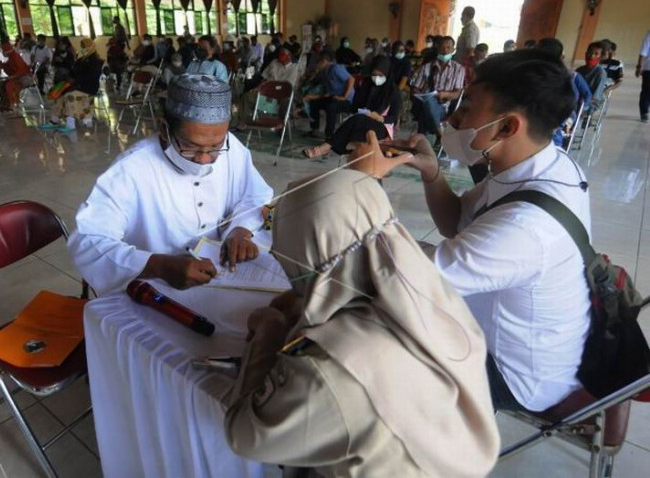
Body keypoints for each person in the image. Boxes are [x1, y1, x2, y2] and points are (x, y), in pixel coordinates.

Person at [350, 49, 592, 414]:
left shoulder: (526, 226)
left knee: (357, 348)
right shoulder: (538, 165)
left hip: (512, 372)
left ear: (508, 127)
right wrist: (432, 171)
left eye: (469, 106)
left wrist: (366, 182)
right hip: (504, 334)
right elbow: (457, 221)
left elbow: (406, 279)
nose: (453, 115)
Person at [224, 169, 500, 478]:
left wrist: (269, 331)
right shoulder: (429, 293)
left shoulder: (330, 367)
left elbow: (245, 434)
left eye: (287, 256)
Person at [68, 74, 273, 295]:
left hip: (221, 277)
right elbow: (88, 240)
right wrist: (158, 266)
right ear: (164, 129)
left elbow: (255, 196)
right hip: (155, 289)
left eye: (215, 147)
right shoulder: (132, 169)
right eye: (190, 147)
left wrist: (240, 231)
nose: (204, 159)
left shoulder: (232, 148)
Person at [303, 56, 401, 159]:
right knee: (355, 122)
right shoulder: (367, 84)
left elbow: (393, 118)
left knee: (354, 122)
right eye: (374, 74)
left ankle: (325, 147)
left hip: (382, 126)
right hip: (361, 121)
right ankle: (329, 147)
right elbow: (355, 106)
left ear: (387, 74)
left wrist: (379, 117)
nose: (376, 78)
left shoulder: (393, 91)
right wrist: (365, 112)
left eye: (380, 75)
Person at [410, 36, 465, 146]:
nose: (445, 51)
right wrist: (421, 94)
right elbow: (416, 87)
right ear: (437, 48)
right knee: (427, 102)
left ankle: (421, 142)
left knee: (426, 109)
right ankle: (439, 134)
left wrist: (445, 94)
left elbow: (458, 93)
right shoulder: (427, 67)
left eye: (448, 48)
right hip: (424, 102)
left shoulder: (458, 69)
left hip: (443, 108)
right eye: (442, 47)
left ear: (453, 50)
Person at [41, 38, 103, 130]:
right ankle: (54, 121)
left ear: (90, 47)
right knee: (59, 96)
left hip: (88, 88)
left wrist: (75, 81)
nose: (83, 49)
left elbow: (90, 76)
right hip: (76, 85)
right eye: (82, 47)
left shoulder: (95, 61)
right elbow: (73, 72)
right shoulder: (81, 60)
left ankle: (70, 124)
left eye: (84, 47)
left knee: (69, 96)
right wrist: (68, 79)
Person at [304, 49, 355, 138]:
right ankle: (314, 129)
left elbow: (351, 79)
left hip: (346, 100)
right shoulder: (324, 73)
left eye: (318, 62)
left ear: (324, 61)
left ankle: (329, 135)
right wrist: (312, 97)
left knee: (331, 106)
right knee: (314, 103)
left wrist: (344, 97)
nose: (316, 65)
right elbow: (325, 93)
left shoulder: (335, 68)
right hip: (334, 97)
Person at [0, 42, 32, 112]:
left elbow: (22, 71)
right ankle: (5, 104)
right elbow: (8, 69)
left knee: (9, 85)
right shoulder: (11, 58)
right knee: (1, 84)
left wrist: (12, 77)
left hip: (24, 78)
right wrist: (2, 65)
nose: (3, 53)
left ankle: (13, 103)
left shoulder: (16, 57)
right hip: (17, 78)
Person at [576, 41, 608, 111]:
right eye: (590, 52)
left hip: (590, 103)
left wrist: (583, 103)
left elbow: (595, 97)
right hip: (575, 100)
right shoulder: (579, 70)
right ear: (586, 53)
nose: (592, 56)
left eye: (596, 54)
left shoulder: (600, 73)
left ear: (600, 57)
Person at [637, 29, 650, 123]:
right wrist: (639, 66)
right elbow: (643, 51)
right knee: (646, 90)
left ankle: (645, 109)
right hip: (649, 67)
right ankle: (644, 112)